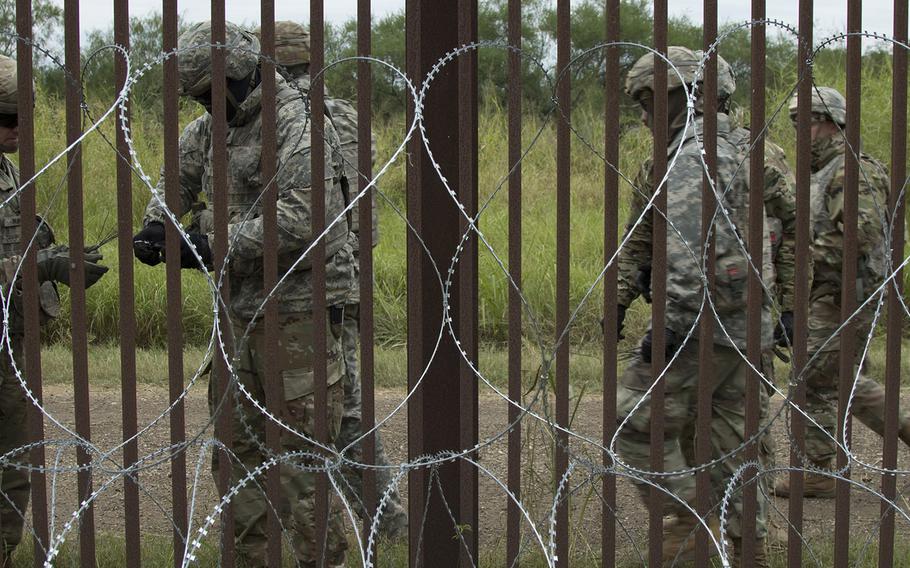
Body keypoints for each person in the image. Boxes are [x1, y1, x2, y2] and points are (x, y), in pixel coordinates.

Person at [132, 22, 353, 566]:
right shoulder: (207, 130)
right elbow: (173, 188)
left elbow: (307, 219)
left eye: (212, 93)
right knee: (237, 458)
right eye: (199, 98)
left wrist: (212, 243)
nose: (209, 106)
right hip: (235, 320)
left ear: (241, 74)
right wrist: (158, 228)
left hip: (296, 319)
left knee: (302, 465)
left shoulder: (298, 124)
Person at [614, 46, 773, 566]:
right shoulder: (721, 149)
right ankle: (732, 548)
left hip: (703, 321)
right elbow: (646, 236)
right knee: (726, 439)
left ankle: (697, 528)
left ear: (675, 97)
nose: (641, 115)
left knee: (638, 421)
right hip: (742, 320)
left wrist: (671, 330)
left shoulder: (694, 155)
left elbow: (687, 249)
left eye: (646, 101)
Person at [257, 20, 408, 539]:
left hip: (296, 283)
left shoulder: (277, 118)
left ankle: (381, 525)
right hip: (349, 277)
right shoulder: (343, 114)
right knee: (339, 402)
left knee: (331, 413)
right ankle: (377, 522)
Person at [773, 86, 910, 498]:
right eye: (795, 123)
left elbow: (860, 235)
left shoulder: (853, 170)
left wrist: (803, 262)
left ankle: (819, 472)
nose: (800, 131)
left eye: (807, 122)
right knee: (833, 379)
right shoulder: (823, 172)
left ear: (832, 124)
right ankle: (820, 470)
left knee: (815, 376)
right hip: (827, 291)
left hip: (844, 295)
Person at [0, 54, 108, 566]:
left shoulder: (9, 169)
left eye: (22, 116)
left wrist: (52, 256)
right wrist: (36, 266)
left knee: (14, 463)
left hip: (10, 343)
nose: (17, 128)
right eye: (6, 119)